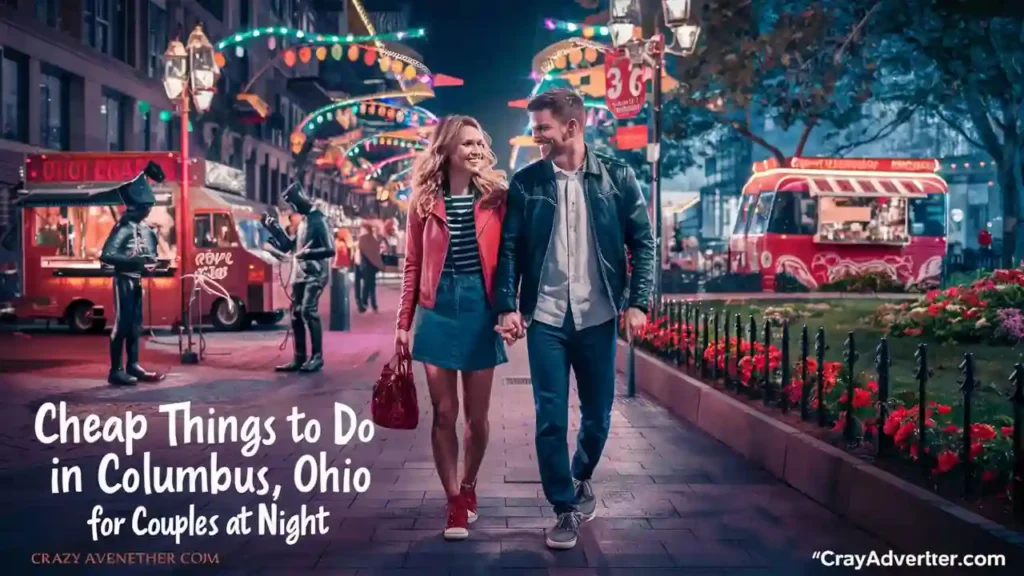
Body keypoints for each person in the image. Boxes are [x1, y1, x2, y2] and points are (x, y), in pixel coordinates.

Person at [494, 88, 654, 550]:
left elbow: (643, 242)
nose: (535, 135)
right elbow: (509, 249)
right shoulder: (526, 184)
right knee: (549, 416)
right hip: (545, 318)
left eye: (542, 127)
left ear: (572, 127)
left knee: (599, 415)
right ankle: (564, 507)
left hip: (598, 315)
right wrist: (508, 304)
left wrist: (638, 302)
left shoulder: (618, 178)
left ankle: (579, 474)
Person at [395, 115, 509, 541]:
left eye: (480, 142)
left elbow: (510, 256)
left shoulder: (497, 197)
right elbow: (411, 264)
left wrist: (509, 308)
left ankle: (470, 485)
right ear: (446, 149)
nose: (476, 150)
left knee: (476, 419)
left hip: (481, 308)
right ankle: (453, 502)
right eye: (467, 144)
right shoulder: (423, 201)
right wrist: (402, 324)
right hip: (435, 308)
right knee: (444, 413)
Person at [99, 161, 169, 387]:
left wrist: (152, 264)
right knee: (122, 324)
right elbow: (108, 254)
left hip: (137, 281)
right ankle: (116, 369)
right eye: (145, 207)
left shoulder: (144, 229)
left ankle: (133, 364)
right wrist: (135, 261)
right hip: (123, 281)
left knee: (136, 324)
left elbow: (149, 255)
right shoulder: (123, 228)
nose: (148, 210)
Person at [261, 182, 335, 373]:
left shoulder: (320, 219)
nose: (292, 210)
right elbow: (288, 246)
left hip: (315, 273)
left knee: (308, 311)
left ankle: (317, 357)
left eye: (293, 205)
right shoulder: (303, 222)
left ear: (300, 200)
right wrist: (274, 230)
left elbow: (330, 249)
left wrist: (308, 253)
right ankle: (299, 357)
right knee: (295, 314)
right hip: (300, 274)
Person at [357, 222, 385, 312]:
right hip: (370, 265)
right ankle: (372, 304)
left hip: (366, 265)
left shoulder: (364, 238)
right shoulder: (370, 238)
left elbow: (364, 249)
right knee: (371, 285)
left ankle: (366, 303)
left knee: (368, 285)